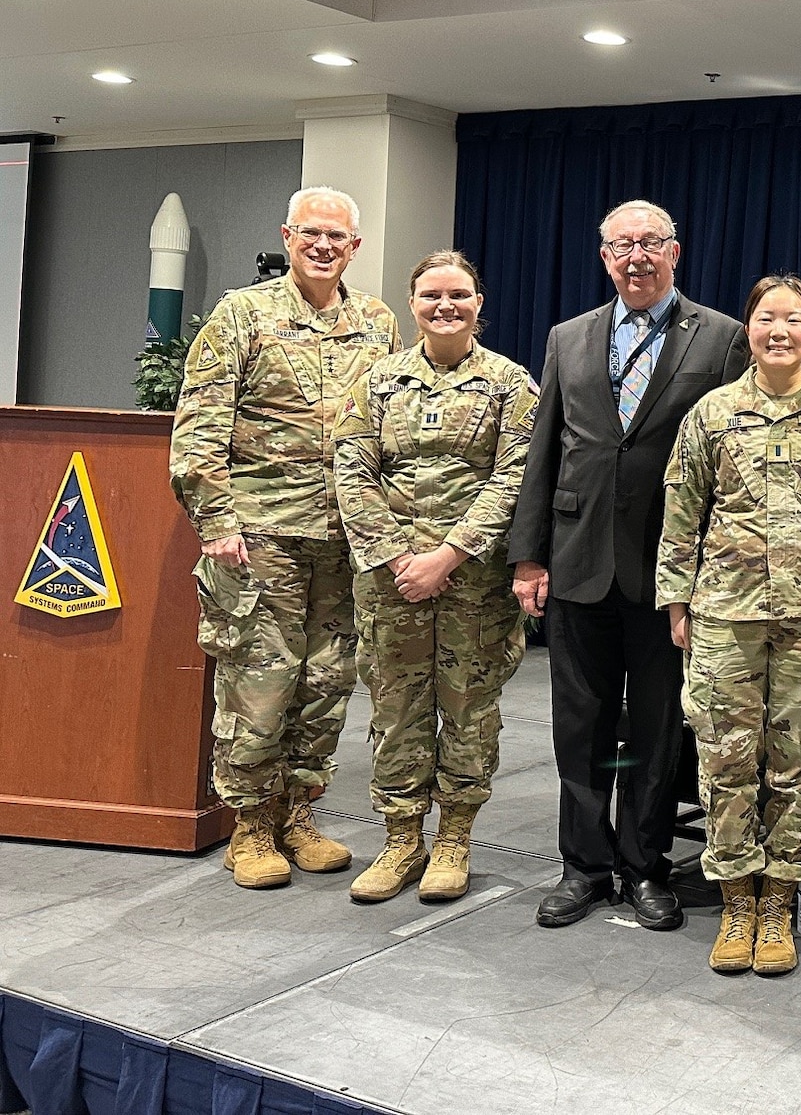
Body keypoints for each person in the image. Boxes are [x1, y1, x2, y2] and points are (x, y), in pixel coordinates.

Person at [508, 200, 749, 930]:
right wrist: (527, 557)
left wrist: (708, 570)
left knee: (653, 730)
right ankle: (583, 865)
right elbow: (545, 448)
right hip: (578, 564)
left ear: (676, 252)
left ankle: (644, 867)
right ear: (604, 257)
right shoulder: (567, 337)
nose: (636, 256)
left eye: (650, 243)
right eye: (622, 245)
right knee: (576, 727)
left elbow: (726, 464)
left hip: (667, 572)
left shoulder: (724, 338)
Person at [169, 186, 400, 889]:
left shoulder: (378, 322)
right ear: (288, 236)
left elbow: (389, 428)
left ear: (355, 246)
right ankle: (250, 826)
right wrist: (216, 523)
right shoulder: (244, 314)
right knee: (260, 682)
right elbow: (200, 425)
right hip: (261, 534)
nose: (323, 246)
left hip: (345, 538)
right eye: (310, 234)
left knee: (327, 680)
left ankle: (299, 812)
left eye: (337, 236)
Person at [332, 251, 538, 906]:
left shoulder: (511, 384)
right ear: (413, 303)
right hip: (391, 583)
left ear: (480, 303)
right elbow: (351, 470)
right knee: (394, 713)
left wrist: (446, 557)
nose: (444, 306)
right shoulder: (378, 380)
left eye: (458, 295)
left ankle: (453, 839)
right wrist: (399, 559)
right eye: (430, 296)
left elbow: (515, 478)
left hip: (472, 584)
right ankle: (399, 839)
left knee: (469, 712)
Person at [657, 275, 801, 977]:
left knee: (798, 765)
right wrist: (677, 601)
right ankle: (735, 900)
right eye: (766, 319)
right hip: (725, 614)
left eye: (794, 318)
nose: (779, 331)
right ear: (748, 330)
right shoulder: (712, 413)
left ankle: (778, 905)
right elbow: (682, 512)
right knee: (727, 759)